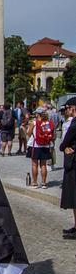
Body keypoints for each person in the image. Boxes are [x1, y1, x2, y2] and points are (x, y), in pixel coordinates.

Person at [59, 97, 76, 240]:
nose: (66, 110)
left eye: (68, 108)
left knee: (74, 196)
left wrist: (64, 147)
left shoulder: (75, 123)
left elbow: (64, 143)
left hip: (74, 164)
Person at [27, 108, 54, 189]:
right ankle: (44, 183)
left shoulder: (34, 123)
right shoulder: (48, 123)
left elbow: (28, 134)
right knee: (43, 165)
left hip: (35, 145)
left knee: (34, 164)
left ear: (38, 114)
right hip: (45, 145)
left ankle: (35, 183)